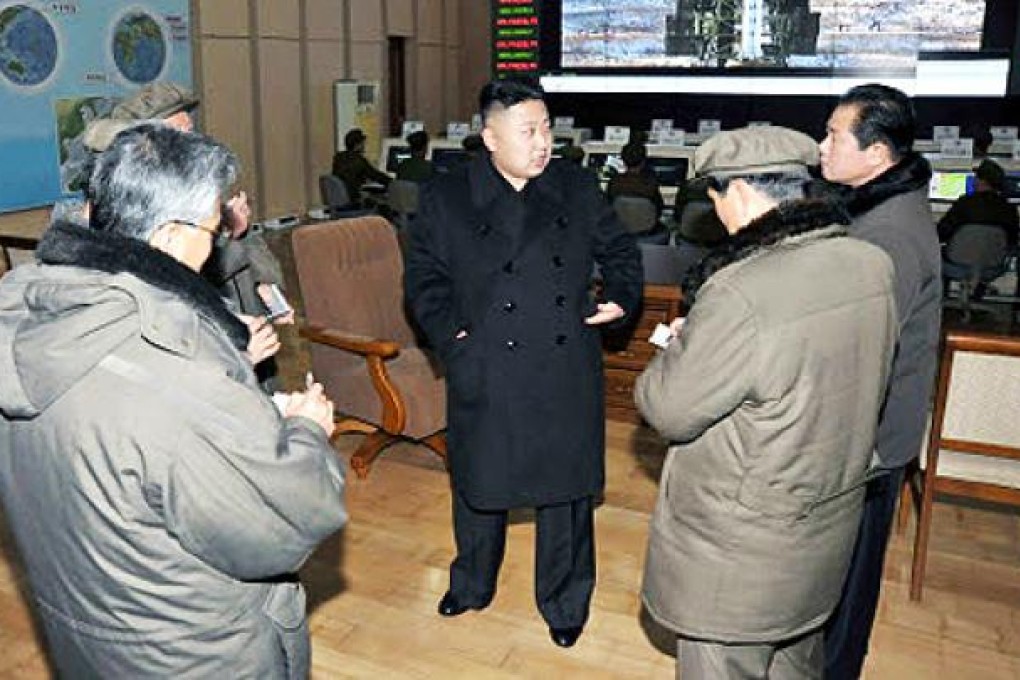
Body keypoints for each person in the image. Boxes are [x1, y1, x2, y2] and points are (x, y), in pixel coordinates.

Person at [0, 123, 346, 678]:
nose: (215, 243)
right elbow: (280, 526)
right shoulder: (173, 376)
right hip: (194, 651)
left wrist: (244, 415)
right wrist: (304, 430)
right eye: (211, 228)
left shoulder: (30, 318)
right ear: (167, 238)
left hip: (91, 637)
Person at [635, 126, 897, 680]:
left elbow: (666, 409)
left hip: (741, 555)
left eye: (715, 197)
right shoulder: (870, 263)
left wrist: (685, 344)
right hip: (824, 528)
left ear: (743, 192)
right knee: (795, 665)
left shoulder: (739, 292)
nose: (716, 212)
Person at [404, 79, 643, 649]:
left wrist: (621, 299)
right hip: (486, 360)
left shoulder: (576, 185)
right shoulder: (448, 195)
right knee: (480, 484)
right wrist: (450, 333)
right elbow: (423, 277)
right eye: (528, 131)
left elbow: (622, 252)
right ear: (490, 137)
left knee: (565, 493)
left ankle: (564, 599)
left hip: (562, 367)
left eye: (547, 129)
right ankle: (472, 582)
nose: (543, 143)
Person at [817, 83, 942, 680]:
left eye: (835, 136)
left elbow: (862, 353)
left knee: (850, 578)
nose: (823, 146)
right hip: (871, 429)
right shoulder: (882, 207)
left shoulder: (886, 233)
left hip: (869, 438)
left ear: (877, 153)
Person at [105, 81, 291, 390]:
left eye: (191, 133)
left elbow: (247, 244)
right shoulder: (125, 211)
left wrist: (269, 286)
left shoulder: (195, 189)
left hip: (247, 341)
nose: (193, 144)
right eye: (180, 136)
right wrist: (232, 234)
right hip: (212, 364)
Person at [937, 158, 1018, 250]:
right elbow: (1012, 242)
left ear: (982, 181)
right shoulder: (1009, 209)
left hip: (959, 260)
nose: (974, 180)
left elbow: (942, 232)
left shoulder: (964, 203)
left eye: (976, 177)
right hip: (996, 262)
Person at [606, 140, 666, 219]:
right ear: (643, 161)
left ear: (623, 160)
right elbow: (658, 210)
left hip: (618, 227)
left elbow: (606, 207)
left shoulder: (614, 182)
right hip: (646, 228)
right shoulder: (650, 184)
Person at [331, 128, 392, 200]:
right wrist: (394, 183)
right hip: (352, 199)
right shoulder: (358, 160)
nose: (364, 145)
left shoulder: (338, 157)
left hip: (339, 199)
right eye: (363, 143)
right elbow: (376, 176)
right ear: (357, 145)